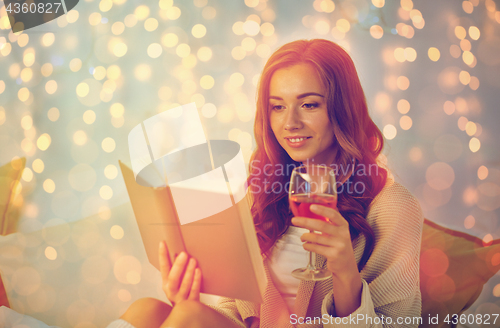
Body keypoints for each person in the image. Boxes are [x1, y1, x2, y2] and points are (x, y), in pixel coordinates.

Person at [107, 39, 423, 328]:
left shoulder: (393, 205)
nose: (290, 123)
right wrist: (186, 296)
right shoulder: (261, 189)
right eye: (277, 106)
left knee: (188, 317)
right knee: (147, 310)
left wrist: (345, 273)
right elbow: (233, 310)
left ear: (343, 108)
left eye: (309, 104)